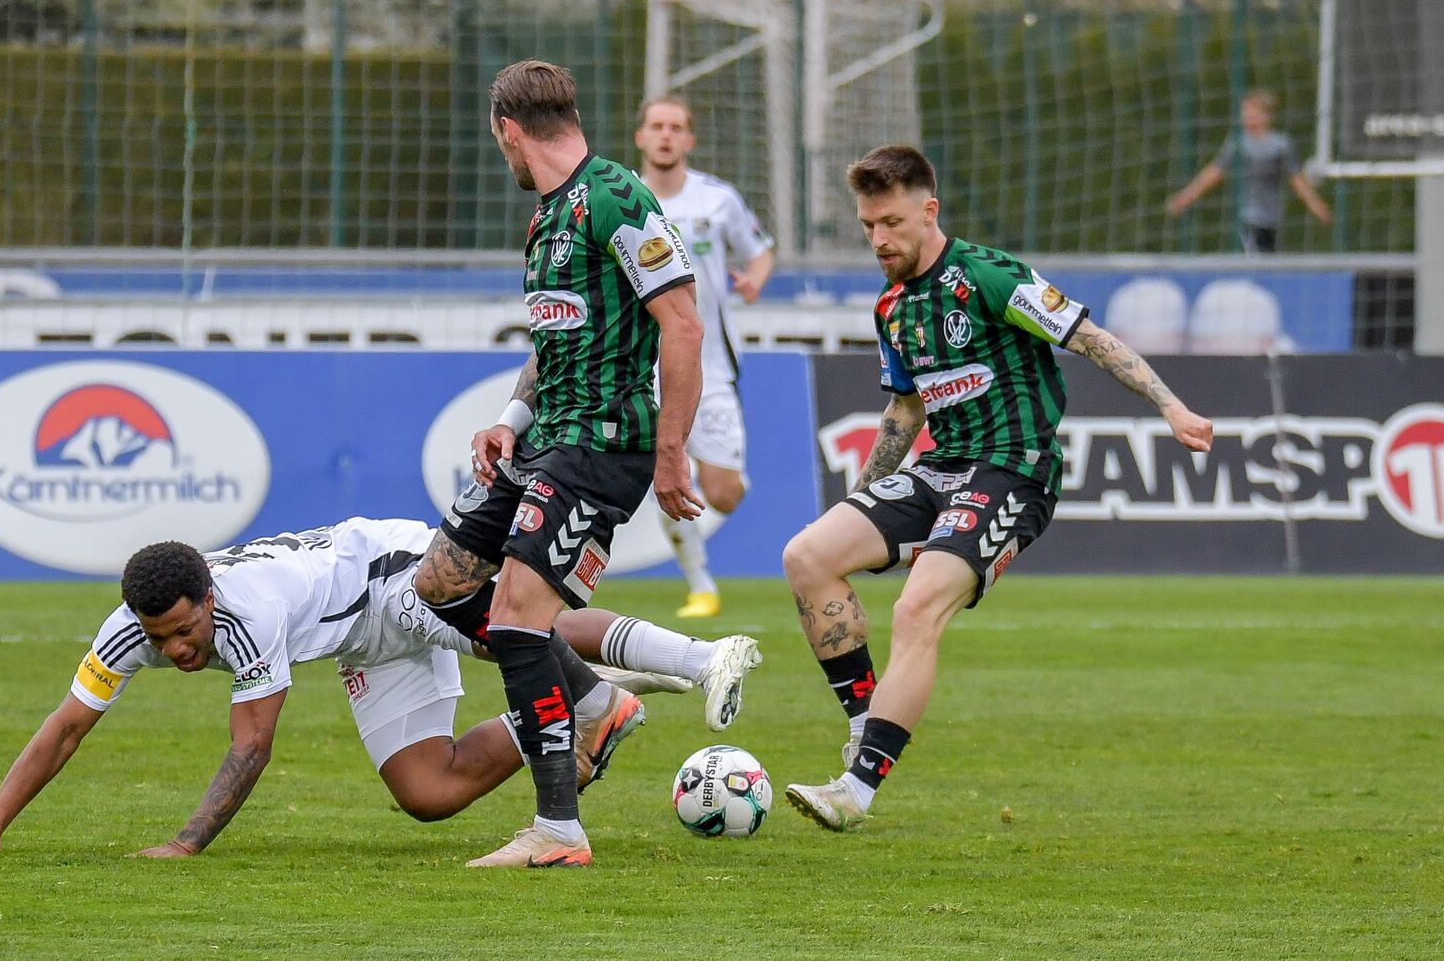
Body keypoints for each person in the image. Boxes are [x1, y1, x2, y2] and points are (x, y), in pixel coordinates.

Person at [783, 146, 1213, 831]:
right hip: (940, 468)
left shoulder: (988, 276)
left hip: (1014, 470)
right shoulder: (891, 307)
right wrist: (861, 497)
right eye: (868, 226)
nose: (879, 240)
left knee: (916, 610)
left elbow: (1090, 338)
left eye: (891, 223)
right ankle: (866, 723)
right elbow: (905, 409)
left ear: (930, 211)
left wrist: (1172, 407)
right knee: (808, 555)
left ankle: (855, 792)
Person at [0, 517, 761, 860]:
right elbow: (66, 727)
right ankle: (586, 698)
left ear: (208, 599)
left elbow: (252, 746)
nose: (177, 650)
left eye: (186, 631)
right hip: (359, 640)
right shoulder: (129, 631)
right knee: (428, 794)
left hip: (389, 579)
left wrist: (184, 846)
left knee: (521, 621)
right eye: (161, 639)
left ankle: (702, 657)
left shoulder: (247, 616)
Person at [411, 60, 757, 868]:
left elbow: (683, 324)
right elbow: (552, 340)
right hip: (543, 439)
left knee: (516, 622)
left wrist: (671, 453)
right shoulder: (548, 216)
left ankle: (559, 830)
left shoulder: (616, 197)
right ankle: (602, 698)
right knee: (441, 584)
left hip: (601, 445)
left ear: (508, 130)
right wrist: (509, 421)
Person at [635, 96, 777, 619]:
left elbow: (760, 251)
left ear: (689, 140)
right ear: (640, 137)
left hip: (710, 367)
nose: (666, 135)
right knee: (664, 472)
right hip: (644, 366)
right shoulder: (622, 200)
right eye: (657, 126)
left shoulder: (718, 199)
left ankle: (715, 468)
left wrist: (754, 280)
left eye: (676, 127)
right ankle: (701, 585)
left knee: (723, 495)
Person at [1167, 90, 1331, 253]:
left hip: (1272, 219)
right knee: (1253, 256)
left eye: (1251, 111)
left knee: (1269, 261)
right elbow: (1214, 172)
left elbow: (1296, 179)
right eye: (1244, 111)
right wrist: (1186, 197)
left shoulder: (1280, 145)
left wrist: (1316, 205)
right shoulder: (1237, 143)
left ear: (1266, 115)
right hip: (1247, 218)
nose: (1246, 116)